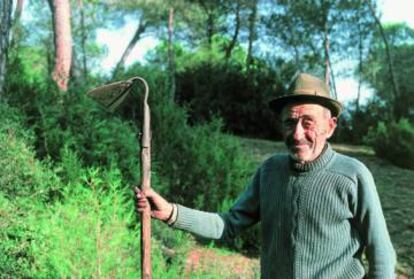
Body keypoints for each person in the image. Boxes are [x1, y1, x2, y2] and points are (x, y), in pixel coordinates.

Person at [136, 73, 396, 278]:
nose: (296, 133)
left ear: (330, 126)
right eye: (289, 122)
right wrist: (171, 212)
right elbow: (228, 224)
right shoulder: (270, 171)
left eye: (308, 122)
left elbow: (381, 254)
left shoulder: (352, 176)